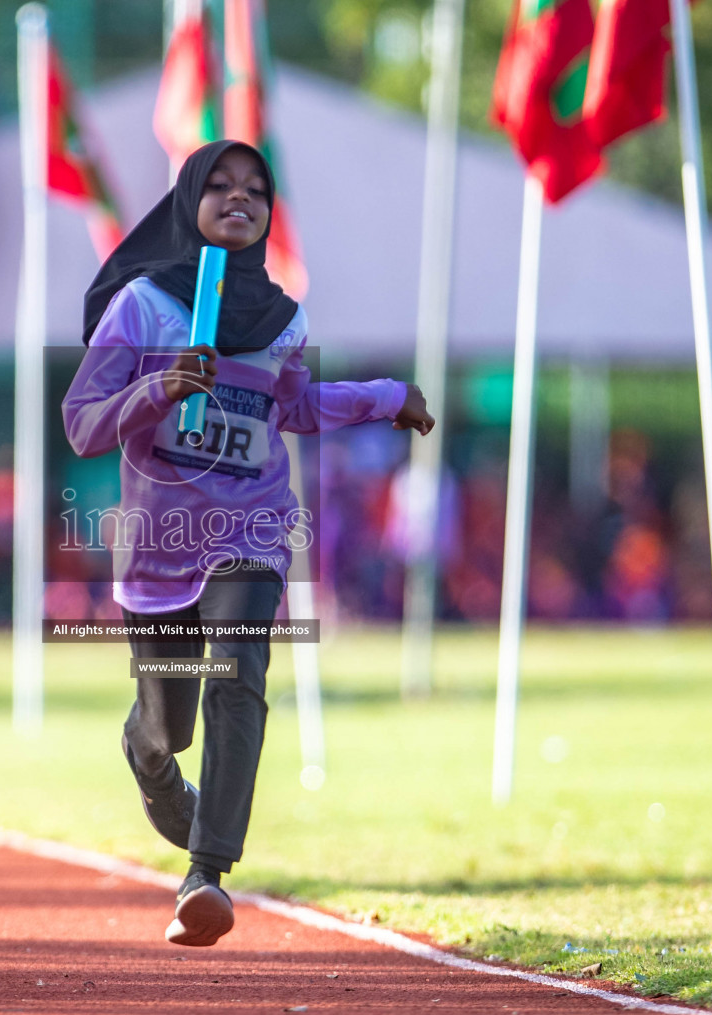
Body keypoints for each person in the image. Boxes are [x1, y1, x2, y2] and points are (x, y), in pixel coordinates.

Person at [62, 140, 434, 946]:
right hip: (159, 546)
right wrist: (159, 385)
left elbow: (293, 408)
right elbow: (81, 423)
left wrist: (386, 396)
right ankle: (148, 752)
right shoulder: (145, 308)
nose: (241, 199)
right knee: (171, 728)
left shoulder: (284, 317)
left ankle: (206, 875)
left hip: (253, 528)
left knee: (240, 674)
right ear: (188, 203)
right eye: (221, 187)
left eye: (256, 190)